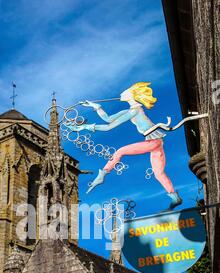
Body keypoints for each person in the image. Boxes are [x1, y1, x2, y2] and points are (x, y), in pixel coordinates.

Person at [66, 82, 182, 210]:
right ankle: (175, 197)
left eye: (124, 92)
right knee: (158, 173)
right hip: (156, 144)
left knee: (120, 151)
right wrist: (97, 107)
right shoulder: (130, 110)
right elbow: (109, 119)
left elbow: (108, 127)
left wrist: (83, 127)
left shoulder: (134, 111)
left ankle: (103, 174)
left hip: (154, 142)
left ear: (130, 95)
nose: (121, 94)